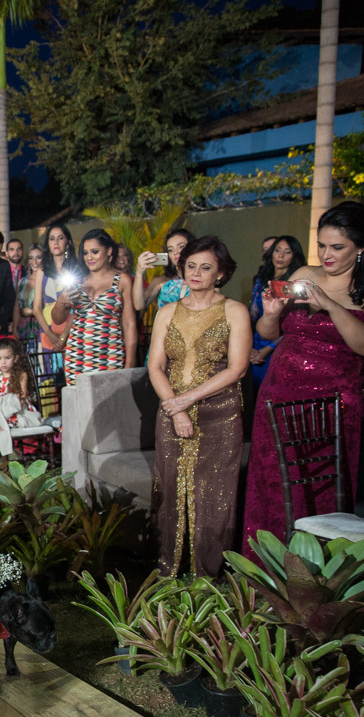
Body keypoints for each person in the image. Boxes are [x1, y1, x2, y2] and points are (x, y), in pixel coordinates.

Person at [242, 201, 364, 559]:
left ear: (361, 247)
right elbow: (269, 331)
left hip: (332, 402)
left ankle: (317, 576)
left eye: (338, 247)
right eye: (322, 245)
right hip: (279, 395)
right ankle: (268, 573)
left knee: (322, 485)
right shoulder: (304, 273)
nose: (326, 255)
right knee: (273, 483)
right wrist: (271, 314)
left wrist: (331, 305)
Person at [148, 237, 251, 578]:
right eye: (190, 265)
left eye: (205, 267)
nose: (196, 272)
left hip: (219, 412)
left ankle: (210, 572)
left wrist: (189, 399)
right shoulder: (167, 311)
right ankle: (170, 567)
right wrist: (175, 409)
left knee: (214, 493)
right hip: (171, 410)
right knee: (171, 485)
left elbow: (237, 368)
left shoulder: (234, 310)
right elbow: (155, 367)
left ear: (221, 273)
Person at [57, 229, 138, 386]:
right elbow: (58, 319)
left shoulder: (122, 280)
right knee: (81, 407)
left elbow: (129, 325)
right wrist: (62, 300)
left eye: (94, 252)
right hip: (77, 356)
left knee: (110, 406)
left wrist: (129, 366)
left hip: (110, 355)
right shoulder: (78, 280)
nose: (89, 257)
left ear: (109, 251)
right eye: (85, 253)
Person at [248, 236, 306, 387]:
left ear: (295, 256)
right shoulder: (262, 279)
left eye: (287, 252)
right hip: (255, 343)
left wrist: (267, 350)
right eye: (277, 250)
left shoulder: (293, 284)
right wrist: (248, 346)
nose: (280, 256)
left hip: (280, 344)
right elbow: (252, 315)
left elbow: (294, 324)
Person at [31, 224, 81, 370]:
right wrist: (51, 336)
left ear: (68, 243)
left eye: (60, 238)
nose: (56, 242)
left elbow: (78, 306)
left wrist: (63, 337)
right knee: (49, 380)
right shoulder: (42, 271)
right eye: (52, 239)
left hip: (71, 331)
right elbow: (36, 308)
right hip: (47, 330)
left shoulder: (76, 269)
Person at [0, 336, 42, 457]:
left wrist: (3, 404)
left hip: (16, 410)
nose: (3, 362)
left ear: (16, 358)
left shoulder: (21, 374)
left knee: (7, 411)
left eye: (7, 358)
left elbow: (19, 401)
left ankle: (11, 453)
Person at [11, 244, 43, 349]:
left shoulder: (47, 280)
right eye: (31, 258)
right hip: (23, 329)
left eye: (38, 257)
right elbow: (16, 307)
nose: (35, 262)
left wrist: (31, 311)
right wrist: (15, 328)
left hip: (41, 327)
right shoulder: (23, 281)